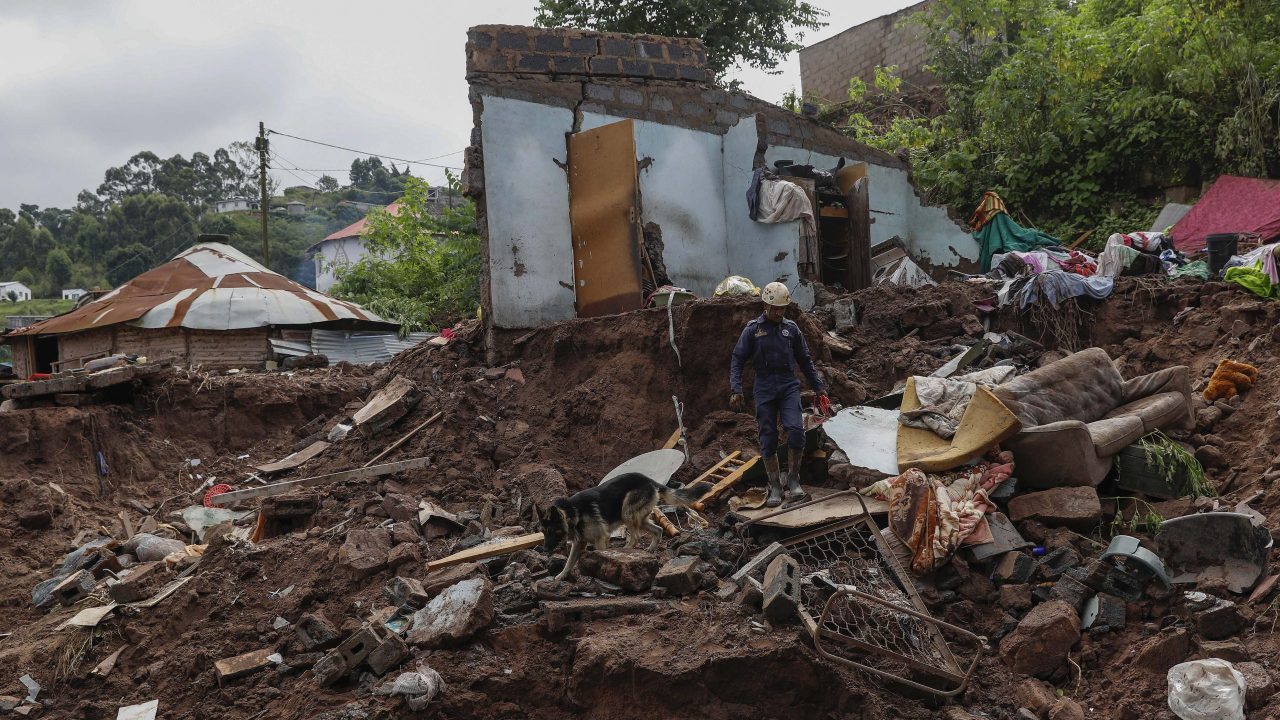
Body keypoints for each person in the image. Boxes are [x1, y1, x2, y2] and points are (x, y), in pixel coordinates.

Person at [729, 282, 828, 507]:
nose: (778, 312)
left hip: (787, 386)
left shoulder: (791, 329)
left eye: (782, 309)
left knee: (795, 430)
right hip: (764, 388)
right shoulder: (753, 330)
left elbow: (805, 359)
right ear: (765, 305)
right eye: (774, 308)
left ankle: (793, 480)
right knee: (768, 436)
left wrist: (817, 385)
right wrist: (736, 388)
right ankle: (774, 485)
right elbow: (737, 359)